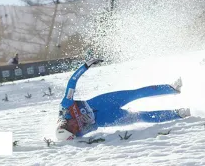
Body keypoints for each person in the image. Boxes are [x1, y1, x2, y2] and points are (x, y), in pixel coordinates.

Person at [56, 58, 191, 141]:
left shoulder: (65, 107)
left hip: (102, 102)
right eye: (75, 132)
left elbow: (72, 82)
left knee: (135, 93)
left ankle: (172, 88)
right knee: (141, 116)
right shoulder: (75, 135)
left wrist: (86, 65)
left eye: (72, 128)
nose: (76, 128)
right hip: (108, 119)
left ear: (64, 124)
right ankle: (178, 114)